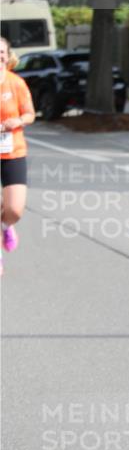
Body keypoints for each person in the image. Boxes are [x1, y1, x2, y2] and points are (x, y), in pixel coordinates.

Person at [0, 37, 36, 276]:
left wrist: (18, 121)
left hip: (13, 150)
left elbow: (30, 114)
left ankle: (5, 225)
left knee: (15, 209)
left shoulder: (16, 83)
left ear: (8, 54)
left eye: (1, 52)